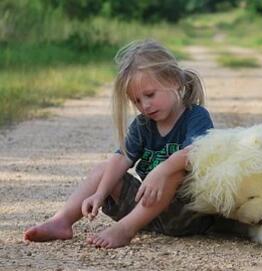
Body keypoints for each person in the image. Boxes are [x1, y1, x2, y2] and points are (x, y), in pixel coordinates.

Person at [23, 39, 216, 249]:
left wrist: (162, 170)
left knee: (175, 171)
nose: (145, 105)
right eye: (137, 101)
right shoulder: (144, 124)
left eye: (150, 95)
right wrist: (100, 192)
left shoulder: (195, 115)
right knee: (104, 170)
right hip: (146, 210)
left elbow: (195, 152)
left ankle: (125, 229)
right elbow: (122, 157)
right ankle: (62, 220)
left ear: (175, 82)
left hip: (186, 215)